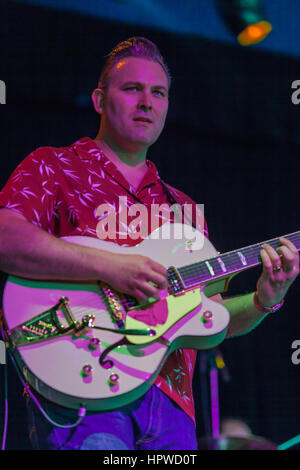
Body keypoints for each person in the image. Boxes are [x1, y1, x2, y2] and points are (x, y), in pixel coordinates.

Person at [0, 37, 298, 451]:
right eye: (132, 89)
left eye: (158, 92)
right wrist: (109, 267)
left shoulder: (186, 210)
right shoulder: (55, 166)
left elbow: (208, 320)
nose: (147, 102)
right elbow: (6, 237)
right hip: (85, 384)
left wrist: (265, 300)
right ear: (99, 100)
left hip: (172, 408)